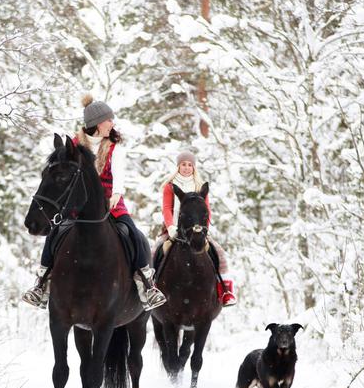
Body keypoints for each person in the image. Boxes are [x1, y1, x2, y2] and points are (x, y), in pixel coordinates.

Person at [21, 94, 167, 311]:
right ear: (98, 123)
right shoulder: (75, 145)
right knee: (55, 233)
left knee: (134, 234)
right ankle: (41, 284)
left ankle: (147, 286)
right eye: (109, 120)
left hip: (111, 202)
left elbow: (119, 175)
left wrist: (116, 193)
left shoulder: (115, 148)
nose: (112, 124)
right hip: (79, 204)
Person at [155, 151, 237, 307]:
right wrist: (171, 227)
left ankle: (226, 291)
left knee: (220, 252)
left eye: (190, 165)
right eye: (183, 164)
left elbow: (207, 210)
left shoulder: (200, 186)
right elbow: (166, 208)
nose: (186, 168)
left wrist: (204, 229)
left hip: (198, 230)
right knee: (155, 250)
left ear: (194, 167)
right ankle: (151, 288)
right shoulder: (170, 186)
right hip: (174, 230)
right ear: (178, 166)